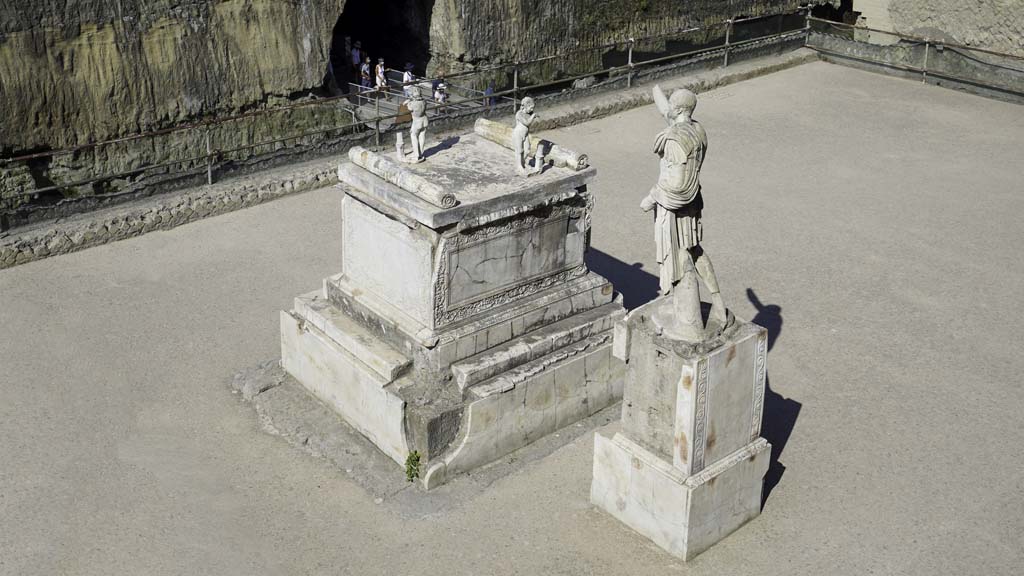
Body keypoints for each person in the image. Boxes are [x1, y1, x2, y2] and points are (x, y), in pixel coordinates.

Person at [640, 85, 728, 339]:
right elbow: (667, 112)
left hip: (674, 205)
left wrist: (652, 197)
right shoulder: (698, 130)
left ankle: (689, 323)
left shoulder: (674, 140)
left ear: (678, 109)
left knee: (680, 258)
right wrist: (654, 89)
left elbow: (675, 182)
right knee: (694, 249)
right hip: (693, 201)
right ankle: (717, 302)